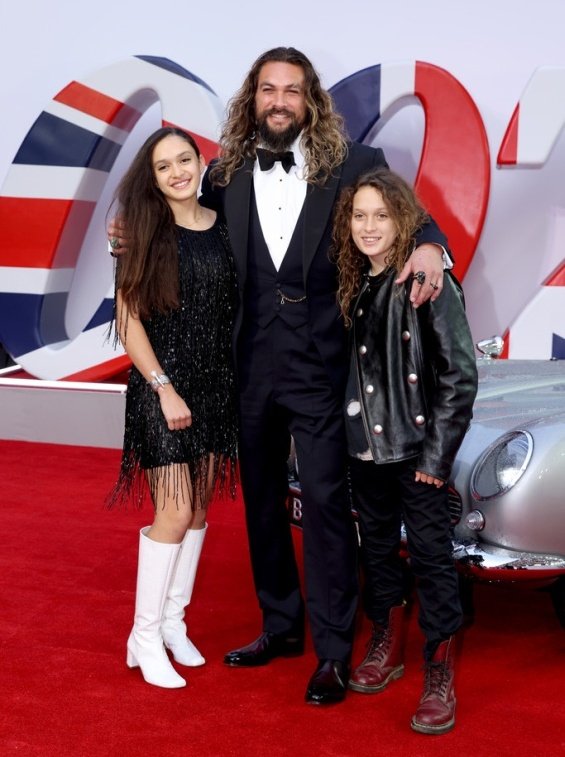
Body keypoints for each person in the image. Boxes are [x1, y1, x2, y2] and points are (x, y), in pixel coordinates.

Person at [109, 46, 449, 705]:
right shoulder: (224, 171)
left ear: (311, 99)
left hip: (321, 362)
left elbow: (414, 214)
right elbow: (166, 208)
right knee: (261, 499)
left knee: (323, 502)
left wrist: (431, 244)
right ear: (252, 98)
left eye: (291, 90)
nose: (278, 101)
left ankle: (329, 649)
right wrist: (120, 232)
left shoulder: (356, 165)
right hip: (243, 362)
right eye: (268, 89)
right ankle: (280, 626)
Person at [332, 167, 477, 732]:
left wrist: (435, 460)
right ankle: (385, 643)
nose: (369, 227)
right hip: (363, 451)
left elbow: (459, 375)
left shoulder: (426, 281)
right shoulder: (354, 282)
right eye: (359, 215)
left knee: (433, 560)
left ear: (404, 221)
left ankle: (439, 671)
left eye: (382, 216)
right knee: (376, 552)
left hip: (417, 453)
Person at [107, 126, 238, 689]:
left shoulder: (225, 226)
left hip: (215, 389)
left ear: (201, 161)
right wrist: (163, 386)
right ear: (153, 178)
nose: (178, 171)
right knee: (175, 513)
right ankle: (142, 634)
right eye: (164, 166)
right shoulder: (144, 232)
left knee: (201, 511)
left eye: (185, 159)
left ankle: (172, 624)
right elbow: (128, 319)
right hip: (162, 389)